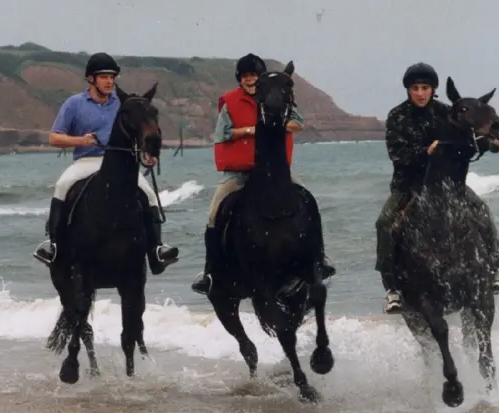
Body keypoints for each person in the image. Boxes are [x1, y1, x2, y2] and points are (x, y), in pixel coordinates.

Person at [191, 53, 335, 295]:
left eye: (254, 76)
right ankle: (210, 272)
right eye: (245, 76)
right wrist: (251, 129)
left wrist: (275, 123)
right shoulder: (230, 102)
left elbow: (297, 123)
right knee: (215, 212)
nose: (249, 80)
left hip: (274, 172)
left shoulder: (275, 97)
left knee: (308, 200)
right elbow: (223, 133)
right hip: (239, 174)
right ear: (240, 79)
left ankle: (319, 259)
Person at [376, 62, 499, 314]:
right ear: (408, 90)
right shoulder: (397, 116)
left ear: (433, 89)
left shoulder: (447, 112)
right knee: (384, 223)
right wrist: (424, 151)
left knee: (481, 211)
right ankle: (392, 288)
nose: (420, 93)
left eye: (425, 87)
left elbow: (470, 138)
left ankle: (497, 269)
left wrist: (493, 143)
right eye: (415, 88)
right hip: (409, 185)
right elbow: (397, 154)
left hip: (446, 182)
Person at [32, 52, 179, 275]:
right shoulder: (74, 104)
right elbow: (54, 137)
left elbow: (139, 132)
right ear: (91, 79)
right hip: (87, 161)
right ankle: (53, 245)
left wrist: (147, 154)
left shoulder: (123, 105)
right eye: (104, 77)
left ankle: (157, 249)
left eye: (112, 77)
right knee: (62, 186)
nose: (110, 81)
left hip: (119, 163)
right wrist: (79, 140)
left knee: (148, 193)